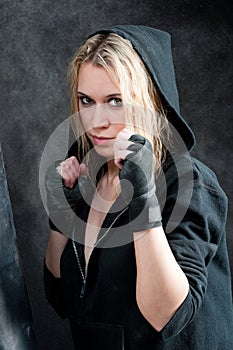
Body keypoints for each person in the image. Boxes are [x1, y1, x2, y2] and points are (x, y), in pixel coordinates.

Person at [43, 25, 233, 349]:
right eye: (86, 100)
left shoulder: (190, 184)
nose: (96, 121)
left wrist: (141, 198)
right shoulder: (89, 176)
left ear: (147, 101)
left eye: (115, 101)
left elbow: (168, 316)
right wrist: (63, 214)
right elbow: (61, 296)